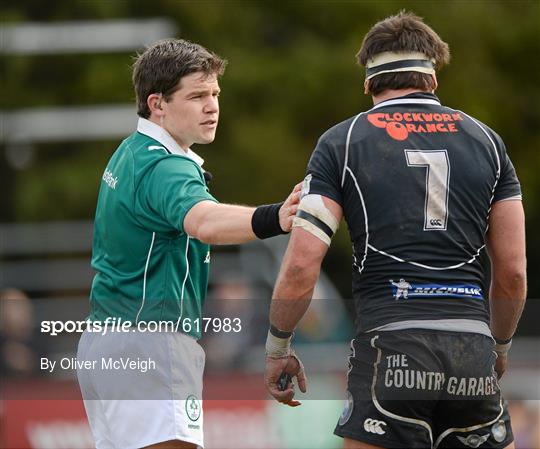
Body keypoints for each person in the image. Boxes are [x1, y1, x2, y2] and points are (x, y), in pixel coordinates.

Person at [263, 11, 526, 449]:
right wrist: (497, 347)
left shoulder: (342, 142)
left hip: (391, 345)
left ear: (368, 84)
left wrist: (277, 348)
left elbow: (301, 264)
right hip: (472, 349)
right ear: (433, 79)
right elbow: (514, 272)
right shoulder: (488, 142)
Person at [76, 38, 300, 449]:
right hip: (149, 341)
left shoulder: (131, 151)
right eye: (197, 96)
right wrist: (277, 217)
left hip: (109, 340)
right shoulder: (166, 164)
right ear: (156, 104)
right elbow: (205, 222)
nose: (212, 105)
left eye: (214, 94)